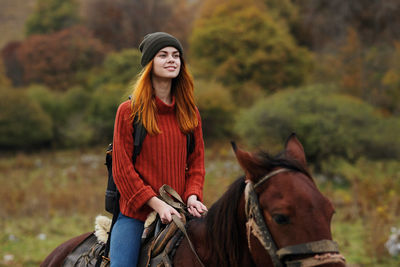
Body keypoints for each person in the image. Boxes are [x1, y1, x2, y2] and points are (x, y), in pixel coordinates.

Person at [110, 32, 207, 267]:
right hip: (137, 214)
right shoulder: (128, 111)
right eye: (163, 55)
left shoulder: (190, 113)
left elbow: (196, 163)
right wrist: (156, 203)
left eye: (176, 55)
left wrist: (193, 195)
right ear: (149, 64)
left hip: (181, 210)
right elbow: (122, 170)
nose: (171, 60)